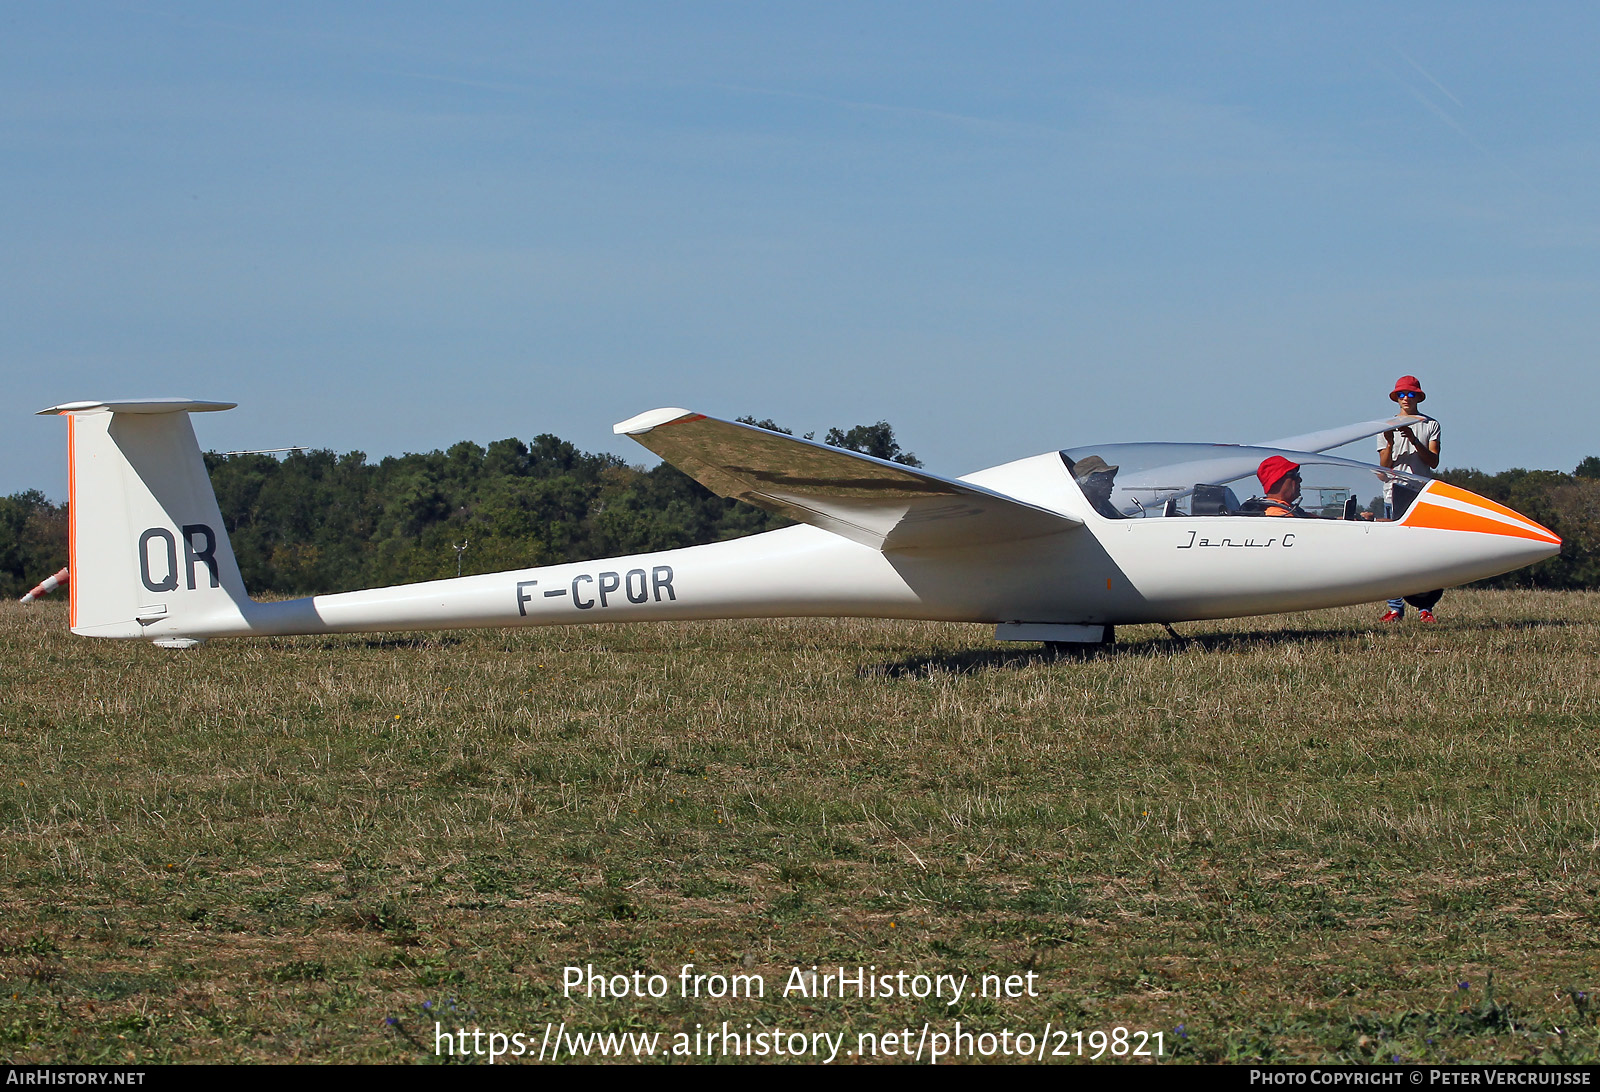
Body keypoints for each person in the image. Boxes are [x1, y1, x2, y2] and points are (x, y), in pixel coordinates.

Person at [1377, 375, 1443, 623]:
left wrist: (1414, 439)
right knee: (1393, 552)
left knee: (1425, 551)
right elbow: (1383, 469)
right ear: (1396, 398)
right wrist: (1390, 442)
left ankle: (1426, 607)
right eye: (1402, 395)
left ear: (1419, 397)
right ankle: (1395, 608)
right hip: (1394, 492)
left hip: (1421, 493)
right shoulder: (1384, 426)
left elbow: (1433, 462)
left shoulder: (1430, 425)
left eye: (1411, 394)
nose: (1406, 398)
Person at [1067, 455, 1125, 519]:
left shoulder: (1106, 511)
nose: (1112, 484)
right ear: (1089, 481)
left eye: (1110, 479)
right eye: (1105, 479)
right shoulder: (1077, 512)